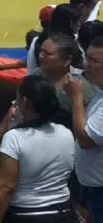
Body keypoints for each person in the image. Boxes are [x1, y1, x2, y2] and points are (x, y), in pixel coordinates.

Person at [0, 75, 75, 223]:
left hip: (26, 214)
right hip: (62, 212)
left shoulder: (14, 138)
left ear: (24, 102)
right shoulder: (66, 133)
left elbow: (6, 187)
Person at [66, 36, 103, 221]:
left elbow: (85, 139)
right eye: (86, 58)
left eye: (94, 61)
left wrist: (76, 97)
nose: (86, 65)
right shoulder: (99, 93)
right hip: (90, 184)